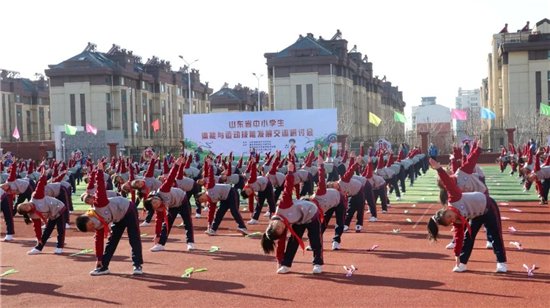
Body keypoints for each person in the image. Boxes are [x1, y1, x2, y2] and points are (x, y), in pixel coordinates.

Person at [426, 158, 507, 273]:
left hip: (488, 206)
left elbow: (448, 183)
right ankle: (462, 264)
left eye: (449, 216)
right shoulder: (456, 220)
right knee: (467, 237)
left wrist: (439, 169)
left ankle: (501, 263)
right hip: (476, 215)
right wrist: (457, 255)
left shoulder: (453, 198)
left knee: (495, 235)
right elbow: (458, 237)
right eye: (450, 221)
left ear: (446, 210)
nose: (452, 218)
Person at [75, 163, 144, 276]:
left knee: (134, 237)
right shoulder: (97, 224)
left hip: (128, 209)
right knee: (112, 241)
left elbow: (101, 189)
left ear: (88, 217)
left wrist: (100, 172)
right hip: (117, 217)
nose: (93, 227)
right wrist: (99, 259)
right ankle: (104, 266)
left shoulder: (99, 204)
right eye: (90, 229)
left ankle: (137, 265)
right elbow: (99, 241)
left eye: (91, 225)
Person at [260, 161, 323, 274]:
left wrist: (289, 172)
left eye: (279, 228)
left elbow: (287, 189)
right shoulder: (280, 228)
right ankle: (286, 264)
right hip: (299, 220)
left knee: (315, 240)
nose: (282, 229)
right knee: (292, 242)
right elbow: (281, 245)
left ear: (273, 224)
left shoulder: (283, 206)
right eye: (281, 231)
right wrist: (280, 261)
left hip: (311, 212)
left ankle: (317, 263)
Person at [144, 156, 195, 252]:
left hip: (181, 199)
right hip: (172, 205)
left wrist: (176, 165)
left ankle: (190, 243)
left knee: (187, 221)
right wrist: (157, 235)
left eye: (155, 202)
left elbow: (170, 178)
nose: (157, 204)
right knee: (167, 224)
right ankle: (161, 244)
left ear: (155, 197)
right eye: (155, 206)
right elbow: (158, 220)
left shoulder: (163, 189)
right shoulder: (158, 207)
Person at [16, 173, 67, 255]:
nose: (27, 205)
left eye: (25, 204)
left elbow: (39, 185)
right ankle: (38, 248)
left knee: (60, 229)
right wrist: (38, 237)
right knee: (47, 230)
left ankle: (59, 247)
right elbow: (37, 227)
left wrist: (43, 176)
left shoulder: (36, 196)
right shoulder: (32, 215)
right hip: (51, 214)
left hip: (59, 208)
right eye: (26, 208)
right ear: (27, 212)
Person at [197, 159, 248, 236]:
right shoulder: (211, 201)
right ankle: (213, 229)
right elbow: (211, 212)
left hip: (231, 192)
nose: (203, 200)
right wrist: (208, 224)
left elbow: (210, 176)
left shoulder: (209, 187)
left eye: (201, 199)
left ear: (202, 194)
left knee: (234, 210)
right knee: (219, 213)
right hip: (224, 198)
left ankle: (243, 227)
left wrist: (210, 165)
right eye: (201, 201)